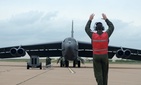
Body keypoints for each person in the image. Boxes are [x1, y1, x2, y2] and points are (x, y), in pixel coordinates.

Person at [85, 13, 114, 85]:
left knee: (98, 73)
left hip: (96, 56)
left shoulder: (93, 35)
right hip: (104, 56)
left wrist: (90, 19)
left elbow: (86, 29)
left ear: (96, 28)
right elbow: (111, 27)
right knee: (105, 73)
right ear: (102, 28)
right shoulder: (106, 34)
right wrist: (106, 19)